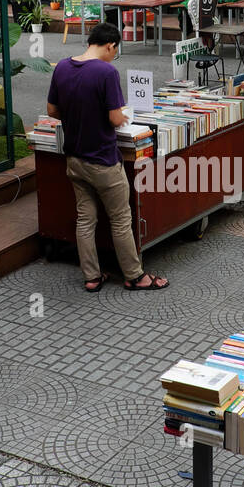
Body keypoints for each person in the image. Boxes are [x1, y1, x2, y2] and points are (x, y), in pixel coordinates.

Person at [46, 23, 168, 293]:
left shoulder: (63, 67)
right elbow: (114, 118)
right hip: (103, 160)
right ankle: (134, 276)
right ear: (111, 45)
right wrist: (122, 116)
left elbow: (52, 110)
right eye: (116, 50)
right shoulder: (106, 72)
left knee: (85, 219)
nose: (115, 55)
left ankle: (92, 276)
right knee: (120, 218)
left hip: (74, 159)